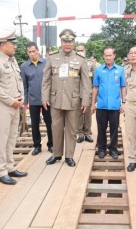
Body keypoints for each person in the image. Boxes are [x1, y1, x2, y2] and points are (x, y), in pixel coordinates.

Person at [42, 29, 90, 167]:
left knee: (71, 129)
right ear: (61, 42)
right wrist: (44, 97)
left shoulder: (81, 59)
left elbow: (86, 83)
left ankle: (69, 156)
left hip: (73, 101)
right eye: (65, 41)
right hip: (55, 100)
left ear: (73, 42)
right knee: (55, 128)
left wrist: (85, 100)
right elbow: (46, 80)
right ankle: (56, 154)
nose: (67, 44)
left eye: (70, 41)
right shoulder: (52, 57)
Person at [0, 30, 28, 185]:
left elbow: (18, 81)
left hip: (15, 106)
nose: (15, 46)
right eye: (12, 44)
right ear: (3, 45)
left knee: (11, 138)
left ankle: (10, 167)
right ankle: (1, 172)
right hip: (1, 107)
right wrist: (11, 101)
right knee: (1, 140)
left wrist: (21, 97)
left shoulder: (12, 60)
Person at [91, 46, 126, 159]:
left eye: (110, 55)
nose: (108, 57)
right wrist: (93, 104)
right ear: (103, 56)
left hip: (115, 105)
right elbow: (95, 87)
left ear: (114, 56)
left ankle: (113, 149)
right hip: (101, 105)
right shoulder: (99, 70)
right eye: (106, 55)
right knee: (101, 128)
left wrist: (123, 102)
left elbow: (123, 87)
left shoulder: (120, 70)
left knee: (114, 128)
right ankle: (101, 148)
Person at [20, 42, 53, 156]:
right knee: (34, 125)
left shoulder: (46, 62)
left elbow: (52, 81)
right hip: (33, 100)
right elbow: (25, 85)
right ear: (27, 53)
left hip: (47, 99)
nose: (32, 54)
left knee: (50, 123)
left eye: (34, 51)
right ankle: (37, 146)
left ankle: (51, 144)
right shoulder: (24, 67)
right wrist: (25, 101)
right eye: (29, 52)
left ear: (38, 51)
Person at [75, 44, 94, 144]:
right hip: (76, 92)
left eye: (81, 50)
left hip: (87, 92)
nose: (80, 52)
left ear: (85, 50)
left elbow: (94, 80)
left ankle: (87, 132)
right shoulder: (72, 62)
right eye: (78, 50)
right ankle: (80, 133)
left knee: (87, 114)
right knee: (78, 113)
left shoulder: (91, 63)